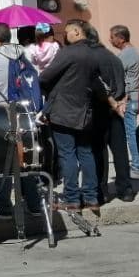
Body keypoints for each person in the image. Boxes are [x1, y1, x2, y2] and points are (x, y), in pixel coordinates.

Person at [0, 23, 44, 221]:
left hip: (0, 115)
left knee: (1, 161)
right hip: (25, 112)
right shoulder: (25, 53)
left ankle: (3, 207)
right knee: (27, 160)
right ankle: (35, 204)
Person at [39, 20, 102, 216]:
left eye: (67, 32)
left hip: (64, 110)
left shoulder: (68, 52)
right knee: (86, 153)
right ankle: (92, 197)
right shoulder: (94, 53)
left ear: (76, 32)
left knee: (67, 154)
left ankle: (72, 198)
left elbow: (45, 76)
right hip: (85, 110)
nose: (65, 35)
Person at [86, 24, 134, 203]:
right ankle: (125, 189)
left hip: (100, 108)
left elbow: (95, 85)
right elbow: (124, 82)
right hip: (116, 109)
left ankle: (102, 190)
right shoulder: (114, 58)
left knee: (99, 152)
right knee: (120, 150)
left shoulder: (93, 59)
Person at [110, 25, 139, 179]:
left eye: (112, 37)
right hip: (132, 98)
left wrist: (123, 99)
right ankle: (138, 164)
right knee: (132, 133)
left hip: (129, 100)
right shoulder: (132, 52)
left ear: (121, 38)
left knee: (131, 134)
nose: (110, 40)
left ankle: (138, 167)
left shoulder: (126, 54)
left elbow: (123, 79)